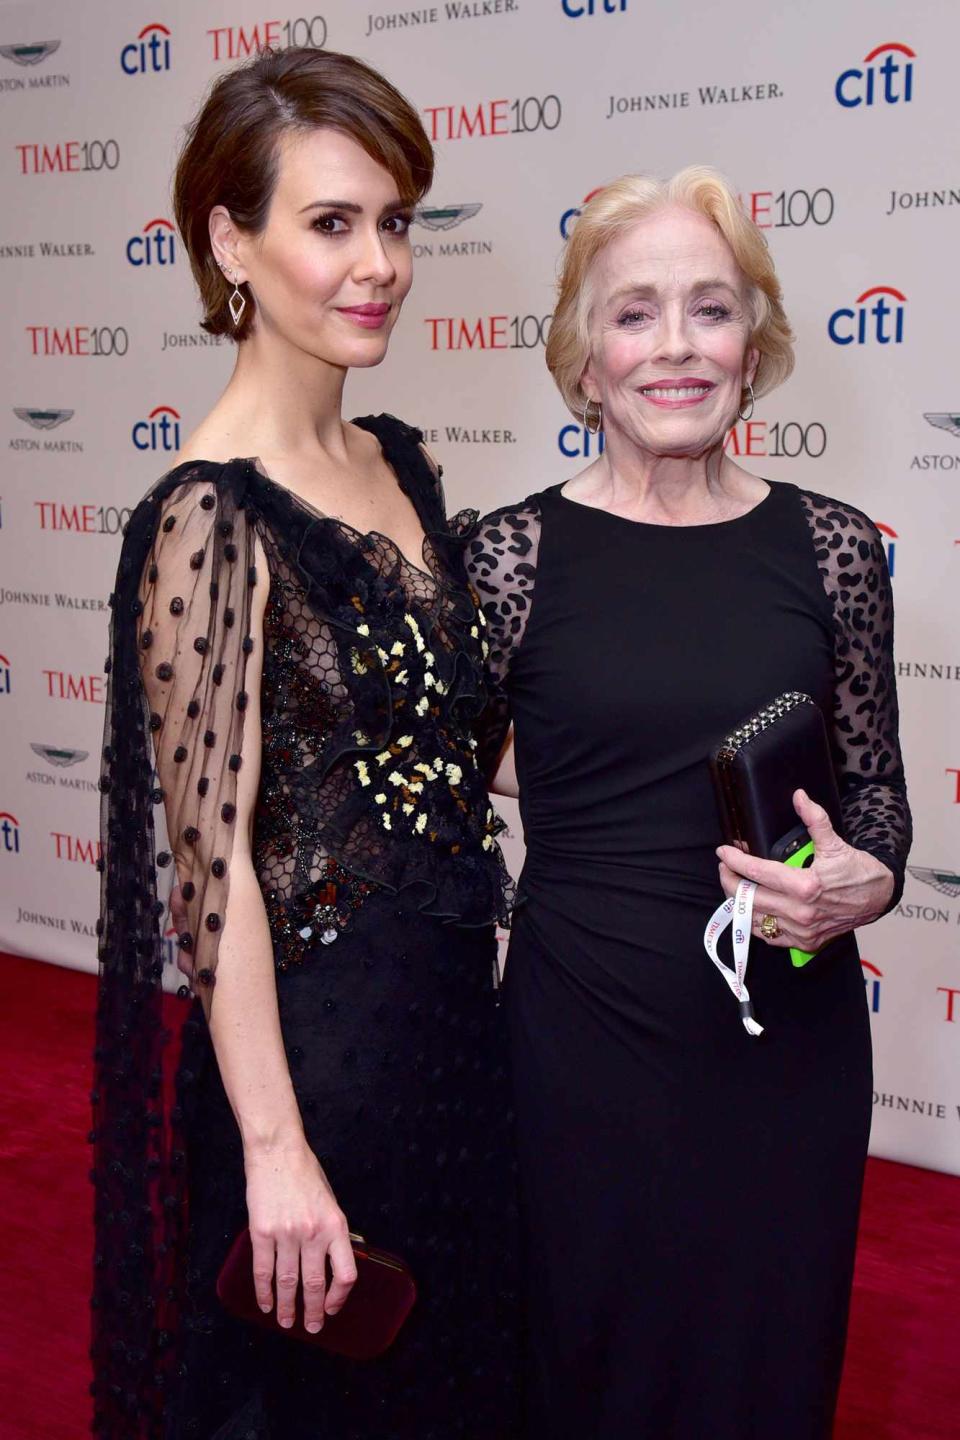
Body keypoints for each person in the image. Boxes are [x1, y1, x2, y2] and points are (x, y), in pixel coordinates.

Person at [92, 47, 520, 1440]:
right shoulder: (206, 522)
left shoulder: (395, 456)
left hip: (459, 1042)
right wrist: (277, 1157)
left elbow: (455, 744)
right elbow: (214, 883)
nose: (378, 262)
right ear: (232, 240)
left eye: (393, 222)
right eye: (331, 223)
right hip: (319, 1074)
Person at [467, 167, 911, 1440]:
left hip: (788, 1056)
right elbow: (463, 777)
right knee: (575, 1371)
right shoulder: (511, 555)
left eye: (710, 311)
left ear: (754, 344)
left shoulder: (832, 548)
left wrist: (862, 881)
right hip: (576, 1055)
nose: (675, 346)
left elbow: (873, 791)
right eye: (635, 313)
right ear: (584, 357)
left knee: (761, 1376)